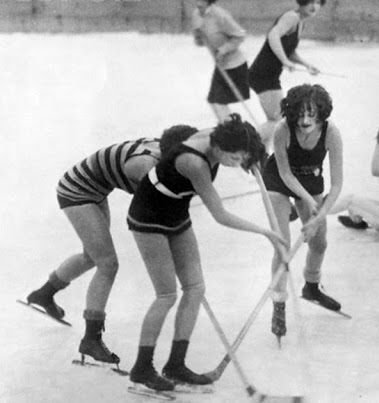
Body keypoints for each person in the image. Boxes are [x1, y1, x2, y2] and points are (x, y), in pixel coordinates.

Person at [126, 114, 286, 392]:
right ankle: (142, 368)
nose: (237, 165)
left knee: (195, 288)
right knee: (166, 295)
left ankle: (175, 365)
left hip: (175, 211)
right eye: (235, 160)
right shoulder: (194, 163)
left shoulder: (221, 136)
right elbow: (220, 215)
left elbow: (245, 144)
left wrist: (251, 157)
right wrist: (266, 232)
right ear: (221, 150)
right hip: (148, 217)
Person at [25, 128, 194, 367]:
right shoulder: (145, 165)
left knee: (91, 257)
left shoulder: (167, 150)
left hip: (94, 188)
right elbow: (149, 207)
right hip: (77, 191)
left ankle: (44, 293)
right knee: (108, 264)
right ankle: (91, 340)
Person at [262, 83, 343, 341]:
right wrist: (309, 201)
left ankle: (311, 286)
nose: (305, 120)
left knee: (319, 242)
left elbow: (338, 184)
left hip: (310, 178)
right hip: (278, 180)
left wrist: (318, 216)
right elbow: (285, 173)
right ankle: (279, 302)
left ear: (321, 113)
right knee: (282, 246)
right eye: (299, 114)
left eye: (311, 114)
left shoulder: (332, 133)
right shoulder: (282, 130)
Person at [248, 0, 325, 142]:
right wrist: (284, 61)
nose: (314, 6)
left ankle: (261, 155)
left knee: (276, 120)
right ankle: (245, 141)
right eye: (311, 2)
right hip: (263, 75)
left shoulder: (301, 22)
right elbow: (273, 35)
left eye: (319, 2)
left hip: (269, 75)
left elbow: (288, 49)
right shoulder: (292, 17)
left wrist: (306, 65)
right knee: (280, 121)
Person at [192, 0, 250, 122]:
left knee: (218, 103)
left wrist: (223, 50)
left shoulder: (220, 15)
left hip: (236, 65)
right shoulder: (196, 15)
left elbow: (240, 35)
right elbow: (200, 42)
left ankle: (232, 131)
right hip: (221, 66)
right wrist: (197, 36)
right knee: (213, 102)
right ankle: (228, 130)